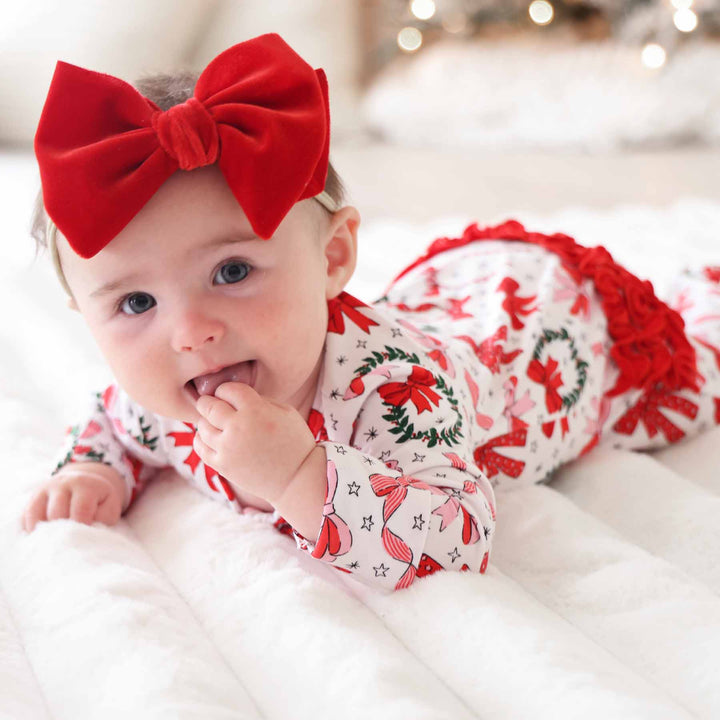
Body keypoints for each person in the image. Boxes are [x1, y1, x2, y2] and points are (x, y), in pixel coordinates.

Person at [24, 33, 720, 592]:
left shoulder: (396, 393)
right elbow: (112, 419)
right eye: (136, 302)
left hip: (549, 328)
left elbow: (455, 536)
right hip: (448, 297)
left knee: (696, 379)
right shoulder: (168, 395)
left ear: (332, 259)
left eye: (231, 271)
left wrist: (299, 475)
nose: (190, 332)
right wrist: (92, 470)